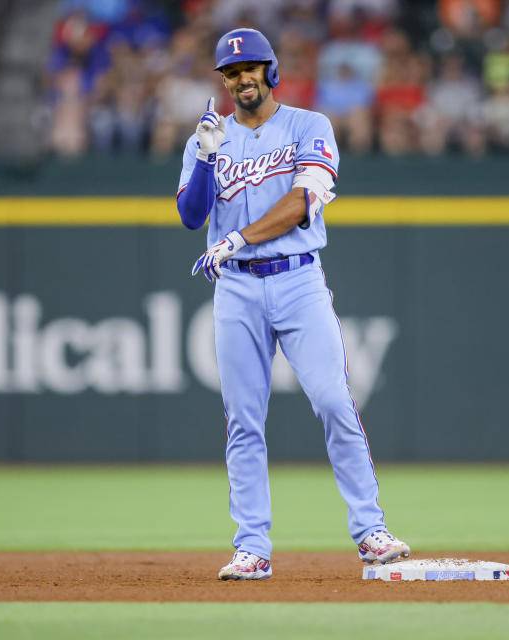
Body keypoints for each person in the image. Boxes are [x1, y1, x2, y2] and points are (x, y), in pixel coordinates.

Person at [175, 27, 409, 581]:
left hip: (298, 280)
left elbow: (305, 200)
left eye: (250, 67)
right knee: (243, 421)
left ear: (270, 70)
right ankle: (251, 547)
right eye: (230, 72)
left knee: (333, 400)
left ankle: (370, 531)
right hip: (236, 287)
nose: (241, 78)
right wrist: (207, 160)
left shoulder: (310, 125)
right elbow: (190, 216)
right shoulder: (206, 138)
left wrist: (236, 238)